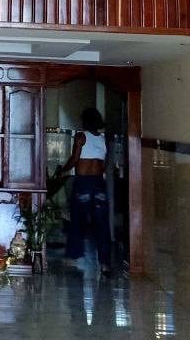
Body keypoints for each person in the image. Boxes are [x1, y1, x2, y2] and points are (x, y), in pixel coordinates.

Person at [60, 107, 113, 276]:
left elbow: (75, 159)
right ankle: (105, 264)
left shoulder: (80, 136)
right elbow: (105, 164)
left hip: (83, 183)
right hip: (98, 183)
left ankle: (73, 256)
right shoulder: (105, 139)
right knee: (101, 225)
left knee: (77, 220)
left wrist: (62, 169)